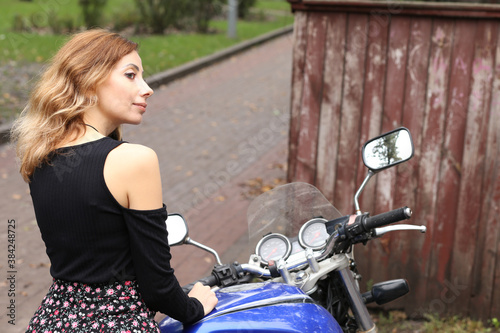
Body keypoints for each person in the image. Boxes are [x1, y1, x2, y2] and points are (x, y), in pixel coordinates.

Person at [11, 29, 218, 332]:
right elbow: (158, 287)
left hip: (51, 320)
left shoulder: (40, 155)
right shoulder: (132, 159)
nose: (147, 89)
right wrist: (195, 305)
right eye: (131, 75)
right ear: (89, 79)